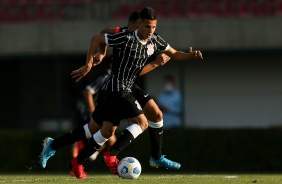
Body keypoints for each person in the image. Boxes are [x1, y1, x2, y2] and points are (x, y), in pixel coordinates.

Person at [39, 7, 203, 179]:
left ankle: (63, 152)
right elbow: (97, 38)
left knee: (99, 130)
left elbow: (175, 53)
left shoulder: (155, 41)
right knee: (142, 122)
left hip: (120, 89)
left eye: (153, 27)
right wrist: (91, 62)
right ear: (138, 24)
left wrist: (189, 55)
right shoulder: (125, 37)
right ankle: (111, 155)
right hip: (117, 88)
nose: (150, 31)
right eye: (147, 26)